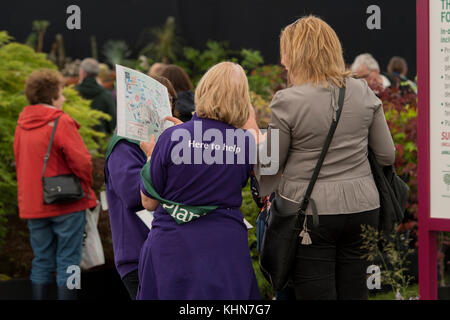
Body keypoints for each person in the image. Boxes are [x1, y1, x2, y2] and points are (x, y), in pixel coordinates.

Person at [246, 16, 396, 300]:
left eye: (286, 53)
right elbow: (387, 154)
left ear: (299, 55)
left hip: (310, 216)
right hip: (364, 208)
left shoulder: (287, 101)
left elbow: (269, 166)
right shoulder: (362, 90)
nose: (283, 62)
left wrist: (261, 172)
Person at [137, 62, 260, 300]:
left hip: (173, 248)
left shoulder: (171, 137)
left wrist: (152, 155)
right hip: (225, 249)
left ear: (203, 90)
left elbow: (149, 202)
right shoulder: (246, 142)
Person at [14, 69, 97, 300]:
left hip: (33, 204)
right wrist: (87, 187)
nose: (64, 98)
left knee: (41, 260)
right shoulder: (62, 121)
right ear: (52, 97)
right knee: (69, 262)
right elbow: (82, 162)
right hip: (66, 203)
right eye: (61, 93)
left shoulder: (21, 125)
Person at [104, 75, 180, 300]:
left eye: (169, 101)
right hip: (137, 255)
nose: (163, 109)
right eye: (158, 101)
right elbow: (133, 195)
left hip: (169, 249)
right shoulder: (124, 143)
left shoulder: (170, 138)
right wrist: (154, 159)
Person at [76, 58, 116, 134]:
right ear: (97, 74)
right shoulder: (107, 95)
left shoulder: (73, 93)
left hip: (79, 139)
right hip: (101, 141)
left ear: (83, 72)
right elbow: (113, 123)